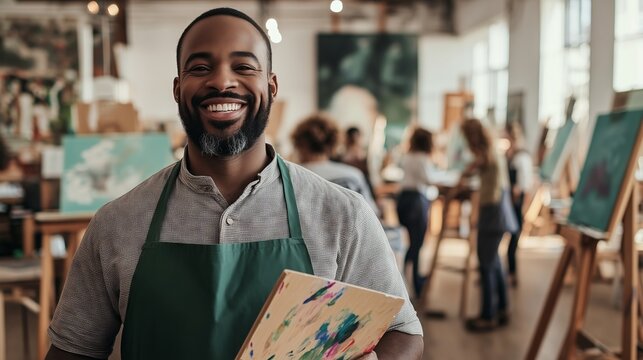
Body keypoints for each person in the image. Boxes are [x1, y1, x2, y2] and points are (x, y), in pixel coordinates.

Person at [45, 8, 423, 360]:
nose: (222, 81)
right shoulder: (117, 223)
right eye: (200, 67)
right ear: (178, 89)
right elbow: (72, 350)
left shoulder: (342, 214)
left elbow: (402, 331)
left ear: (271, 86)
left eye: (243, 66)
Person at [459, 118, 518, 332]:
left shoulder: (487, 153)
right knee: (493, 262)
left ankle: (488, 315)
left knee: (485, 263)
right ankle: (501, 308)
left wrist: (463, 175)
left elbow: (473, 168)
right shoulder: (493, 151)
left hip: (493, 212)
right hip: (499, 211)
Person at [291, 113, 379, 214]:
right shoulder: (352, 177)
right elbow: (371, 216)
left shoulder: (289, 177)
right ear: (333, 143)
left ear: (298, 143)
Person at [396, 127, 439, 299]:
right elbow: (429, 180)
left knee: (410, 242)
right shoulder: (422, 159)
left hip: (403, 200)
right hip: (416, 201)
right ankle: (414, 282)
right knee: (417, 243)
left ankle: (407, 278)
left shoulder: (407, 157)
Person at [505, 121, 534, 287]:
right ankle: (507, 272)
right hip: (509, 200)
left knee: (514, 238)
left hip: (515, 201)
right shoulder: (511, 154)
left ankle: (512, 273)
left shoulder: (521, 156)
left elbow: (522, 185)